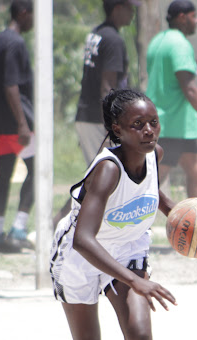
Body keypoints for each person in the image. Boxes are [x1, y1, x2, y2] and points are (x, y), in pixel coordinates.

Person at [50, 88, 177, 340]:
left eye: (152, 122)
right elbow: (83, 240)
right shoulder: (107, 170)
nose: (148, 131)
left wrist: (192, 219)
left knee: (140, 335)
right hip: (81, 256)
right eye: (137, 125)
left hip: (128, 248)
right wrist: (136, 280)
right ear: (116, 130)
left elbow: (155, 197)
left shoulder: (154, 155)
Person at [54, 0, 140, 227]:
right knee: (98, 177)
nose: (132, 13)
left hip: (88, 114)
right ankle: (62, 222)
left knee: (98, 175)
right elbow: (107, 86)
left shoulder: (97, 34)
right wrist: (113, 123)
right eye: (130, 8)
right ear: (117, 8)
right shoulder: (113, 39)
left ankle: (69, 222)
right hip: (99, 118)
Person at [146, 0, 197, 198]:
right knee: (154, 181)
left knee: (196, 169)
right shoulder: (180, 44)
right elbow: (189, 88)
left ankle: (195, 224)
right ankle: (129, 220)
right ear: (182, 17)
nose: (196, 21)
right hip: (172, 123)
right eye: (194, 16)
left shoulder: (157, 41)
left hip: (171, 123)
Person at [0, 0, 36, 253]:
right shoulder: (15, 43)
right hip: (17, 124)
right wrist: (23, 125)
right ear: (23, 13)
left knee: (3, 175)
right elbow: (10, 85)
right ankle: (18, 229)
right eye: (33, 15)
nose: (34, 21)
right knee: (39, 172)